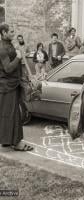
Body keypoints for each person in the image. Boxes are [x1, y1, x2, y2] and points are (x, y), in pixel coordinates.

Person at [0, 23, 33, 151]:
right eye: (11, 32)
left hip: (10, 85)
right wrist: (18, 57)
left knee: (6, 114)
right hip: (8, 86)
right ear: (3, 32)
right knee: (14, 114)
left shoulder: (9, 44)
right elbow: (8, 68)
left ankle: (6, 141)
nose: (14, 34)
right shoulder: (2, 47)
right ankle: (18, 143)